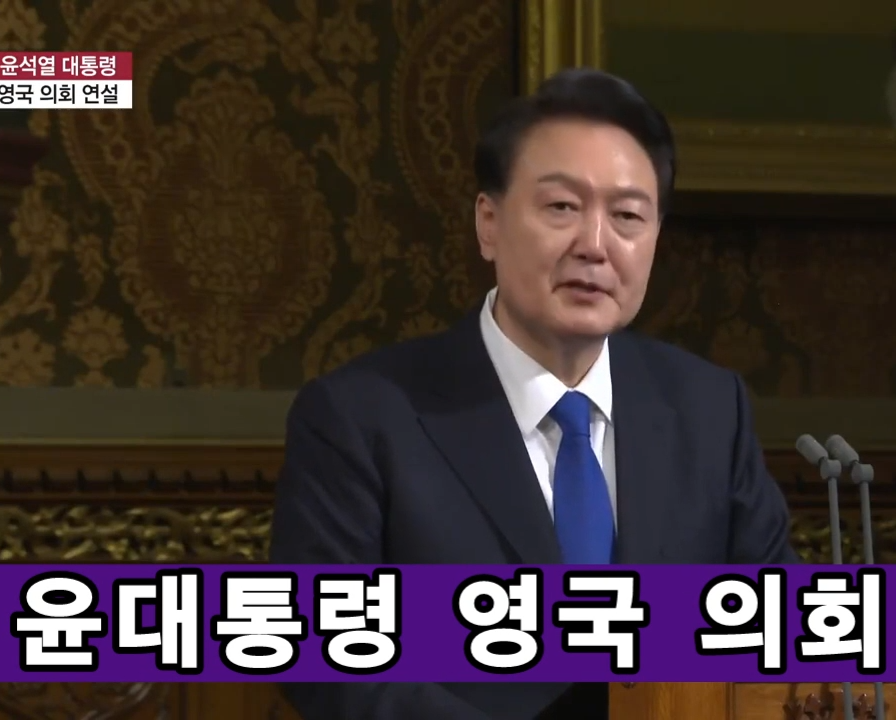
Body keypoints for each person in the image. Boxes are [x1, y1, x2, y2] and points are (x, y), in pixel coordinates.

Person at [271, 68, 801, 720]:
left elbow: (779, 630)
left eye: (627, 216)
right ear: (488, 223)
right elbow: (326, 657)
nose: (595, 245)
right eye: (561, 208)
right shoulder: (361, 416)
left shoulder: (708, 410)